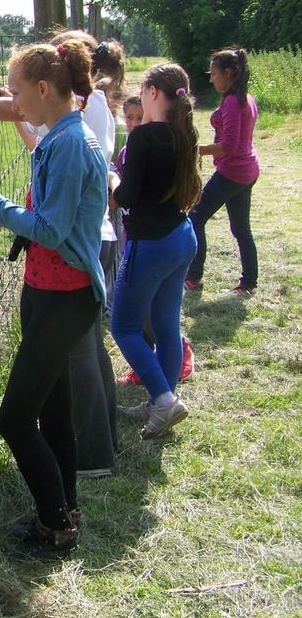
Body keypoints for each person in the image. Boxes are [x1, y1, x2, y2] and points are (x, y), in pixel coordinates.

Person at [0, 31, 122, 479]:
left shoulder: (70, 144)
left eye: (16, 90)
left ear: (43, 89)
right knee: (55, 407)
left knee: (16, 419)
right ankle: (65, 511)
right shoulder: (59, 136)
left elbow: (49, 228)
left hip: (65, 292)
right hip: (46, 287)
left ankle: (56, 516)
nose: (12, 100)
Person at [111, 63, 201, 439]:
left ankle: (163, 399)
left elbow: (125, 197)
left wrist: (111, 177)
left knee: (124, 326)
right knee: (167, 326)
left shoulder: (144, 138)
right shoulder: (184, 133)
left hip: (152, 245)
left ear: (151, 93)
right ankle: (162, 400)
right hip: (182, 237)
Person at [184, 47, 260, 295]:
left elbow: (229, 146)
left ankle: (193, 277)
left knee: (195, 217)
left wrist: (197, 150)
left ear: (228, 73)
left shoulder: (232, 103)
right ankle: (249, 282)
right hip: (247, 171)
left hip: (233, 172)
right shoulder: (246, 99)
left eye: (214, 73)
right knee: (241, 229)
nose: (210, 78)